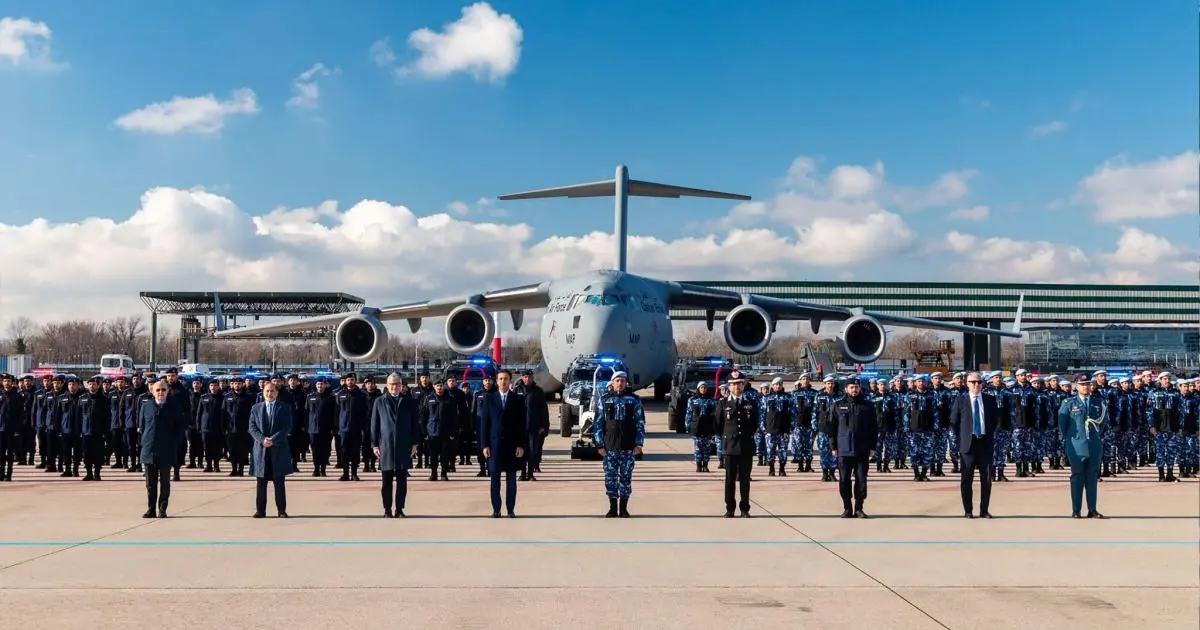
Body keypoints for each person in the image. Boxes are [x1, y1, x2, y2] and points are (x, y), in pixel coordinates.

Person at [594, 371, 646, 518]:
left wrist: (639, 444)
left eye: (623, 381)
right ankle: (612, 508)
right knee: (610, 480)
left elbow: (640, 424)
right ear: (612, 383)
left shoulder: (634, 401)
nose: (620, 383)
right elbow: (598, 425)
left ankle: (623, 508)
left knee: (625, 479)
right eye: (617, 380)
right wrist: (599, 446)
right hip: (610, 448)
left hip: (628, 448)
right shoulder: (604, 400)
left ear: (626, 383)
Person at [372, 374, 421, 517]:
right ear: (387, 385)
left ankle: (399, 509)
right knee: (386, 481)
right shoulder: (379, 402)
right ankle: (387, 509)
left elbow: (415, 425)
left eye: (397, 384)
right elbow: (374, 425)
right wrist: (375, 444)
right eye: (391, 384)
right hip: (385, 446)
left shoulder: (409, 403)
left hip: (403, 445)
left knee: (402, 481)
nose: (394, 387)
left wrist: (415, 444)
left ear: (401, 386)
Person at [479, 369, 526, 517]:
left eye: (505, 379)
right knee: (495, 480)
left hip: (512, 446)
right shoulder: (489, 398)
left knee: (511, 480)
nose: (503, 382)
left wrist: (521, 445)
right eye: (500, 379)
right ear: (496, 381)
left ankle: (510, 509)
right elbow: (484, 424)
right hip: (495, 446)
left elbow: (522, 424)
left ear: (510, 381)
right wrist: (484, 444)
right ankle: (496, 509)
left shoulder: (518, 399)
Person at [951, 371, 998, 518]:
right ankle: (968, 510)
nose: (976, 385)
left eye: (979, 382)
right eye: (973, 382)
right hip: (968, 445)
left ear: (983, 384)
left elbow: (995, 419)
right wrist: (962, 438)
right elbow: (954, 421)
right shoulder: (960, 400)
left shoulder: (990, 400)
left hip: (985, 443)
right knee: (966, 479)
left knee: (987, 479)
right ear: (967, 384)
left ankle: (984, 510)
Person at [830, 379, 877, 518]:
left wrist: (872, 447)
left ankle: (859, 508)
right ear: (846, 389)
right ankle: (847, 508)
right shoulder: (838, 405)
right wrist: (833, 446)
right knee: (844, 479)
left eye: (856, 387)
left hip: (862, 449)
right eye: (851, 387)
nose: (854, 390)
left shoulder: (867, 406)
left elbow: (873, 428)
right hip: (843, 449)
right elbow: (832, 427)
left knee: (861, 479)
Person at [1059, 376, 1106, 519]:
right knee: (1077, 477)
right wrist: (1074, 439)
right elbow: (1063, 425)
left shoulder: (1099, 403)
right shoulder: (1068, 403)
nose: (1085, 387)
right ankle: (1076, 510)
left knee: (1092, 477)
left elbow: (1103, 424)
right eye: (1082, 384)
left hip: (1094, 445)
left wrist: (1095, 438)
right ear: (1076, 386)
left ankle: (1092, 509)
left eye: (1088, 384)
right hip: (1076, 446)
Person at [138, 379, 186, 518]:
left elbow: (179, 429)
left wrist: (173, 443)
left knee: (165, 483)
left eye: (163, 390)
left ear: (168, 391)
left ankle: (162, 509)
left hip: (167, 450)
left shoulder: (174, 407)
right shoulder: (146, 407)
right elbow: (142, 427)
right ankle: (151, 509)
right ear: (152, 391)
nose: (161, 392)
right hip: (149, 450)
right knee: (150, 484)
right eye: (158, 390)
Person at [716, 376, 758, 517]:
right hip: (730, 447)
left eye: (739, 384)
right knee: (730, 480)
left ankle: (745, 508)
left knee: (745, 479)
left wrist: (746, 436)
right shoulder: (723, 404)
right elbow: (718, 425)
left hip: (745, 446)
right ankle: (730, 508)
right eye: (734, 384)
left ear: (743, 385)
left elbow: (754, 424)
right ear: (729, 387)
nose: (737, 387)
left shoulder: (750, 403)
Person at [250, 381, 293, 518]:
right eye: (267, 391)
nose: (270, 393)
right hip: (261, 449)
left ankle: (281, 510)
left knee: (279, 481)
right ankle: (260, 510)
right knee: (261, 482)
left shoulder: (284, 407)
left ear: (277, 393)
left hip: (278, 449)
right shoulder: (256, 408)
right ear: (263, 393)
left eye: (272, 391)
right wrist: (262, 439)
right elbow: (252, 427)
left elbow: (286, 427)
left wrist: (273, 439)